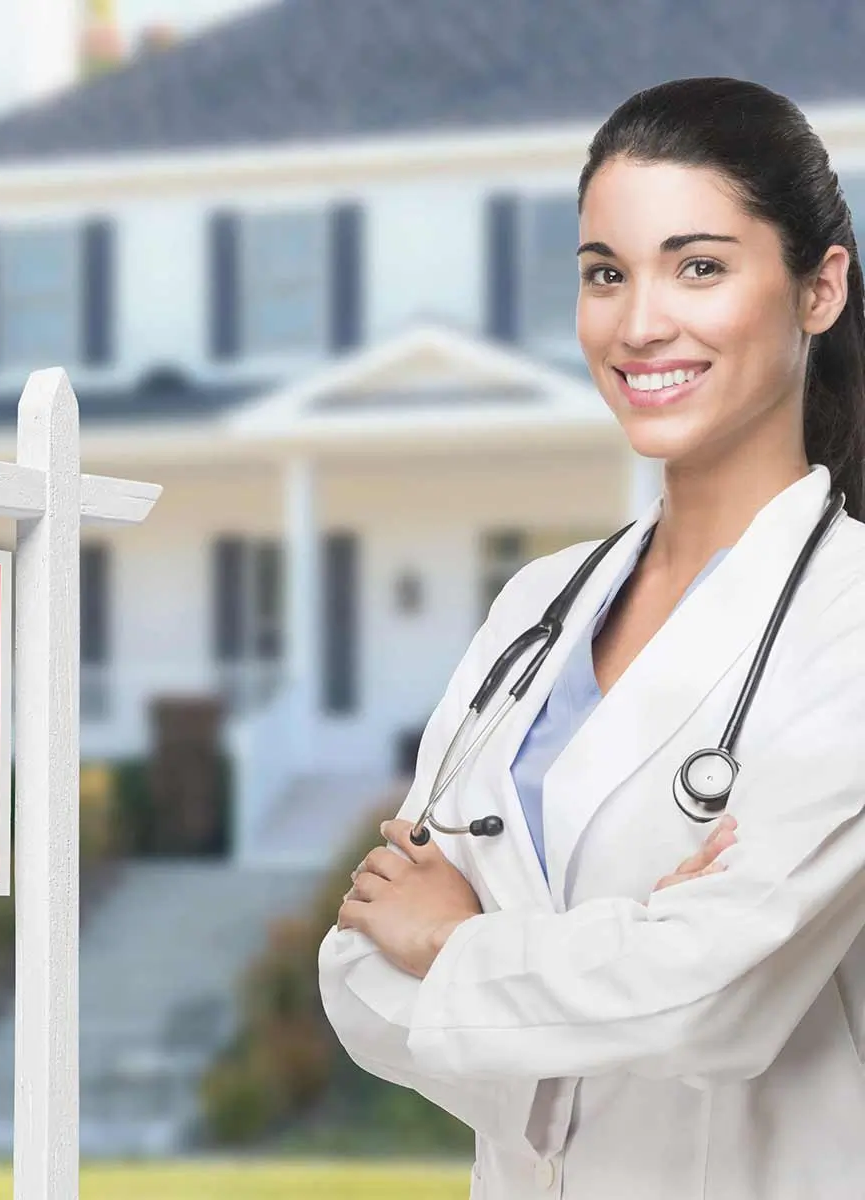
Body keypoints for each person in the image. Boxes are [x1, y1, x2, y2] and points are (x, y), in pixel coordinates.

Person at [318, 76, 865, 1200]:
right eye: (605, 274)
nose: (638, 323)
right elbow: (355, 965)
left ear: (820, 288)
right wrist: (630, 964)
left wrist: (456, 949)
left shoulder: (847, 618)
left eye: (698, 266)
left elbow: (718, 1003)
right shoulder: (538, 608)